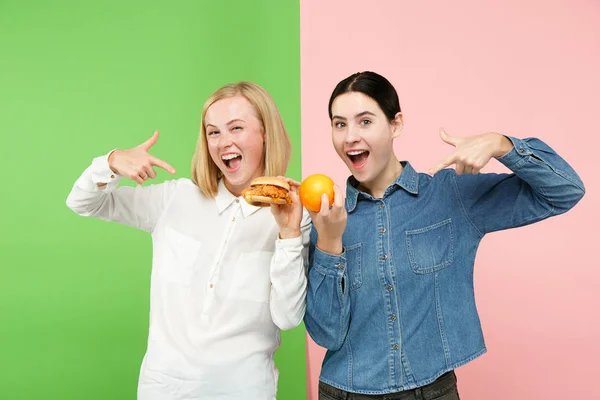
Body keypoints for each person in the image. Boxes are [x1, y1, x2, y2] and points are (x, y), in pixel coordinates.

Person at [304, 71, 585, 400]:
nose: (350, 136)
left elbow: (565, 191)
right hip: (344, 392)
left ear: (396, 125)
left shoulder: (450, 196)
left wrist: (502, 144)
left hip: (431, 392)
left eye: (365, 122)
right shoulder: (325, 218)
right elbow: (326, 333)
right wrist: (329, 243)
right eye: (340, 124)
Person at [66, 81, 310, 400]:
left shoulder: (293, 214)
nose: (224, 142)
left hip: (245, 391)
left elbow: (288, 317)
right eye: (213, 132)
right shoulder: (175, 198)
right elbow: (83, 202)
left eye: (236, 128)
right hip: (163, 390)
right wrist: (110, 162)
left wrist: (289, 235)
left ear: (266, 133)